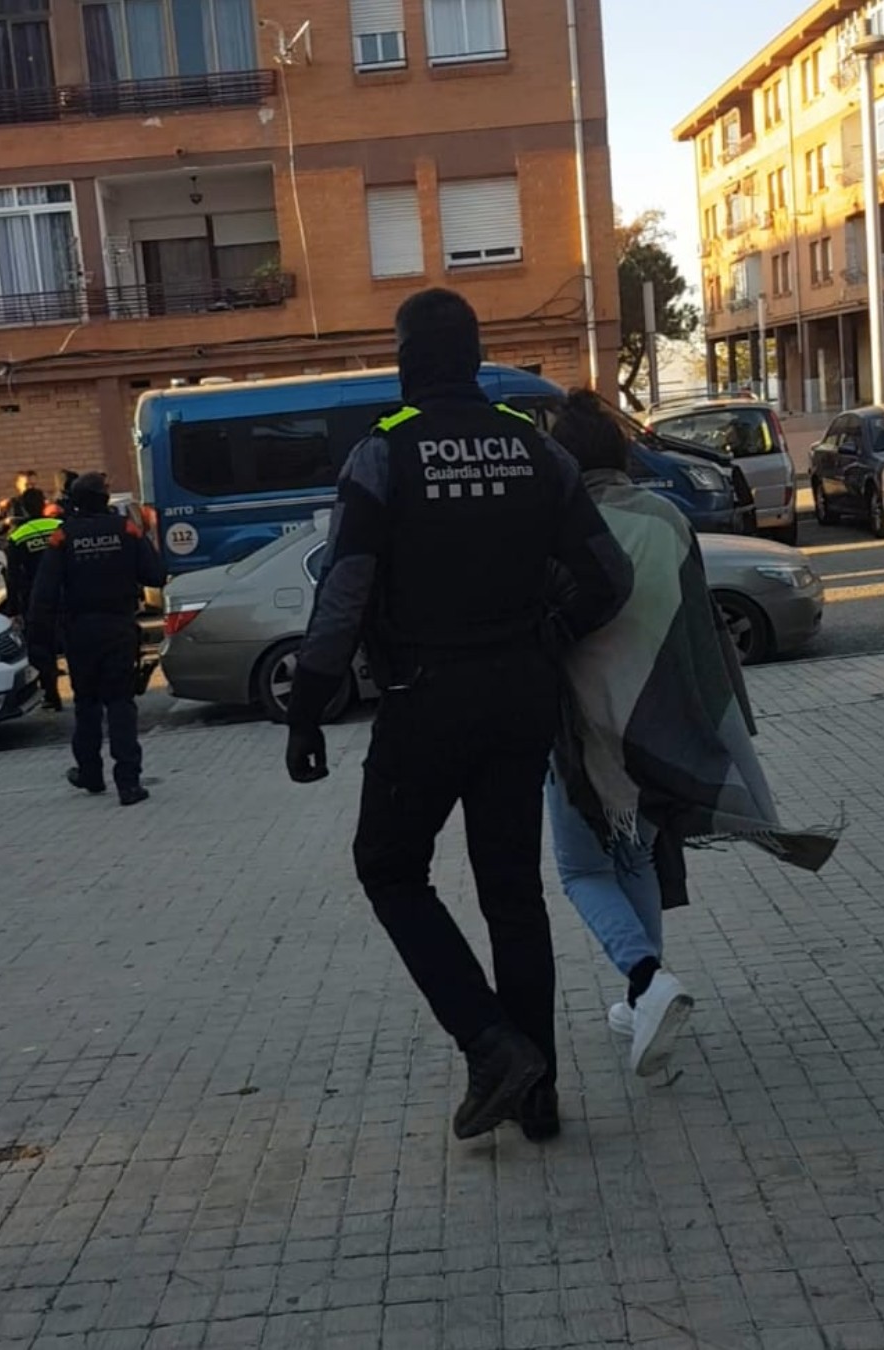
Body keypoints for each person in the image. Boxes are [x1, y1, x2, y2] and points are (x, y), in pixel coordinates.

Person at [284, 289, 632, 1144]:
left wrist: (308, 705)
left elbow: (346, 591)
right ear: (476, 359)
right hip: (521, 697)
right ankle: (538, 1096)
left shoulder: (384, 455)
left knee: (389, 867)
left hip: (426, 700)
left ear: (406, 361)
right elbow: (609, 577)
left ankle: (490, 1046)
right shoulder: (535, 450)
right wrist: (550, 635)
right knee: (513, 893)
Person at [546, 390, 839, 1078]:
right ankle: (640, 1000)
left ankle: (647, 982)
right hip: (661, 727)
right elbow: (701, 637)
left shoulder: (558, 526)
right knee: (638, 860)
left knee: (582, 868)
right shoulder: (668, 519)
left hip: (587, 733)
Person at [29, 471, 165, 806]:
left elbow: (43, 594)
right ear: (103, 499)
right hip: (119, 628)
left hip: (80, 632)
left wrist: (39, 644)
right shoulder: (126, 529)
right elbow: (156, 575)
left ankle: (90, 773)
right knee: (120, 703)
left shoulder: (64, 537)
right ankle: (129, 783)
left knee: (87, 704)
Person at [3, 487, 64, 711]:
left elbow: (13, 576)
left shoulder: (18, 535)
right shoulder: (59, 527)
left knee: (42, 650)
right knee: (74, 645)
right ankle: (87, 692)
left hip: (37, 601)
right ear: (43, 504)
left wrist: (14, 608)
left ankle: (52, 695)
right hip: (66, 595)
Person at [0, 470, 41, 536]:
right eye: (27, 485)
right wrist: (6, 522)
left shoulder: (45, 503)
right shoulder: (9, 504)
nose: (30, 487)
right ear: (18, 484)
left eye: (33, 485)